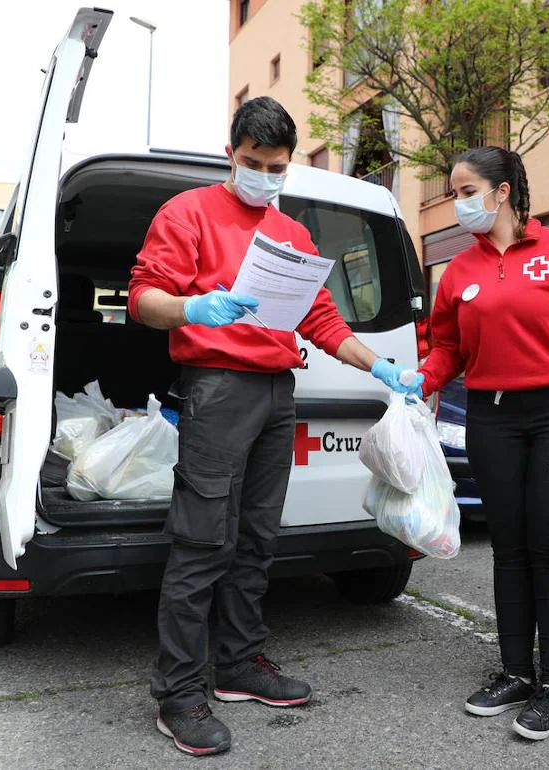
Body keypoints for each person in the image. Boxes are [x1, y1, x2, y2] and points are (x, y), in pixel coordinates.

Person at [129, 96, 411, 757]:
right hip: (217, 388)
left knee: (257, 536)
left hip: (276, 391)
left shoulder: (292, 235)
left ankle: (239, 663)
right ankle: (178, 692)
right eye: (253, 163)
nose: (264, 175)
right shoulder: (187, 213)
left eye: (276, 167)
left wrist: (384, 368)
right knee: (203, 540)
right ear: (231, 154)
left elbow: (323, 321)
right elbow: (143, 300)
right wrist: (196, 306)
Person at [400, 146, 549, 741]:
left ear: (502, 193)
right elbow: (447, 347)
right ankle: (514, 673)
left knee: (548, 548)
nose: (459, 202)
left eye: (467, 190)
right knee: (508, 550)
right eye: (454, 192)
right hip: (491, 416)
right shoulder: (459, 271)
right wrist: (422, 379)